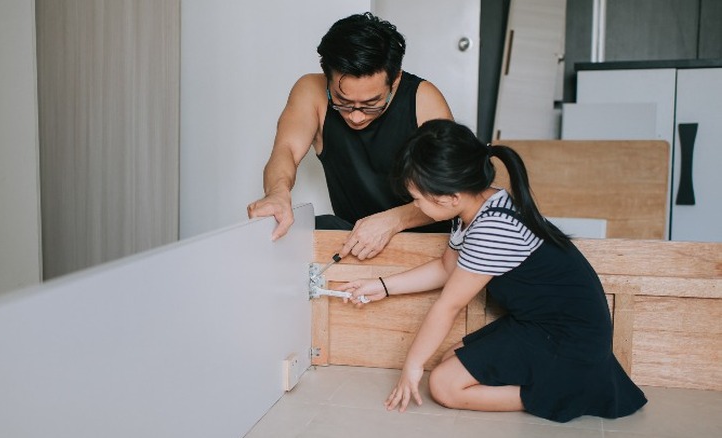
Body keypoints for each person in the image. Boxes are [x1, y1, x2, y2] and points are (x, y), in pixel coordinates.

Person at [338, 119, 648, 423]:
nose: (415, 207)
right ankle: (562, 382)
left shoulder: (493, 228)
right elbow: (448, 268)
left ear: (451, 197)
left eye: (418, 199)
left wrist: (412, 365)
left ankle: (570, 391)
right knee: (449, 362)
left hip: (567, 338)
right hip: (541, 325)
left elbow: (449, 306)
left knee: (444, 385)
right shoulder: (478, 204)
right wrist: (382, 285)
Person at [246, 12, 454, 260]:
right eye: (343, 102)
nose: (356, 117)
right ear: (327, 76)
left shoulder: (423, 99)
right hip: (357, 240)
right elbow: (286, 150)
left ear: (395, 80)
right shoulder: (310, 90)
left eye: (372, 104)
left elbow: (453, 191)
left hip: (431, 242)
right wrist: (277, 193)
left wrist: (394, 220)